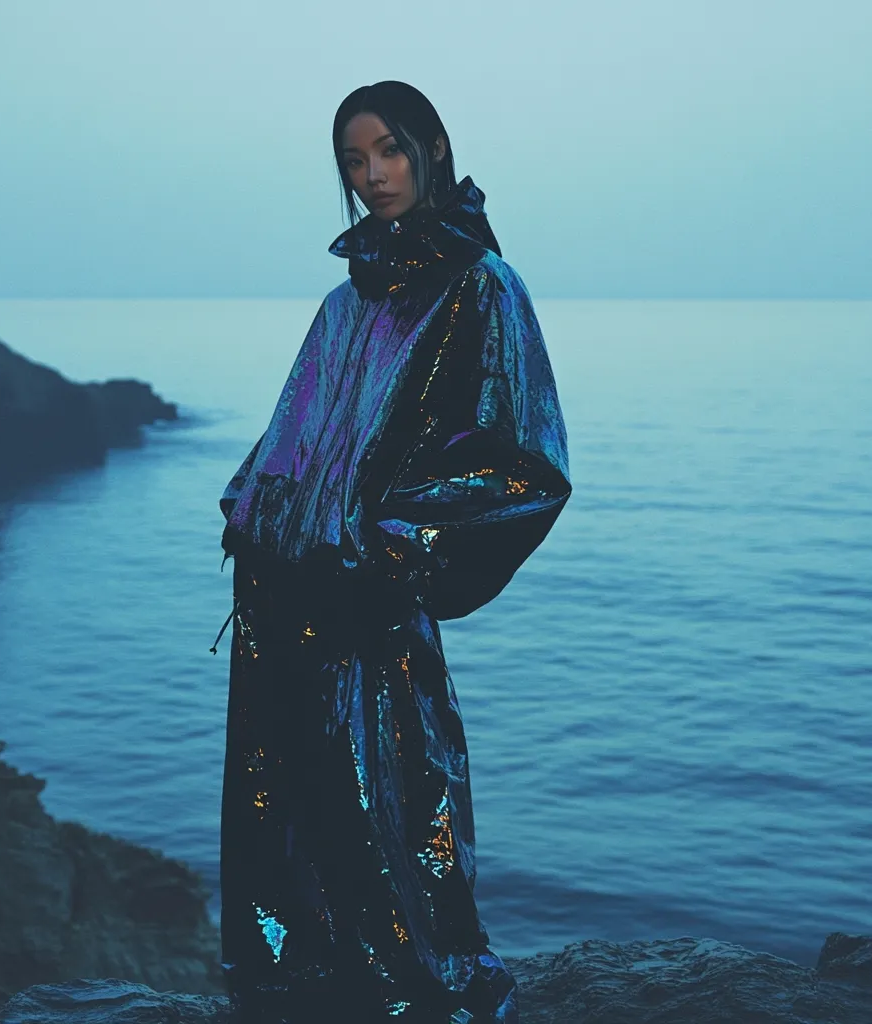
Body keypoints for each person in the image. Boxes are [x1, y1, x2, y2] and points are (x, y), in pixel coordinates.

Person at [215, 81, 571, 1024]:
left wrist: (394, 549)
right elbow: (293, 435)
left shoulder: (482, 287)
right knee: (289, 805)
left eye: (389, 151)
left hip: (369, 601)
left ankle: (416, 987)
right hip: (284, 599)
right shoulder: (345, 304)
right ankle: (302, 983)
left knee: (396, 799)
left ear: (433, 148)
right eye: (353, 161)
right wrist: (249, 514)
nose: (372, 175)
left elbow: (525, 462)